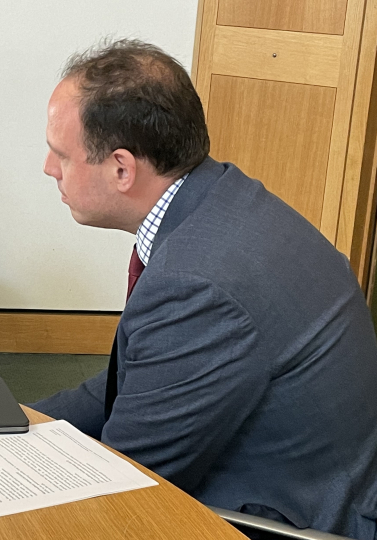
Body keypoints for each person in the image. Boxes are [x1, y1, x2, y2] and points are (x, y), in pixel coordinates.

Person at [32, 39, 377, 539]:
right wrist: (15, 421)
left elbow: (125, 486)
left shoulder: (196, 283)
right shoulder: (223, 198)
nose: (48, 168)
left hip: (282, 517)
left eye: (60, 155)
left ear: (123, 169)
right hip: (319, 478)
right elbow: (134, 383)